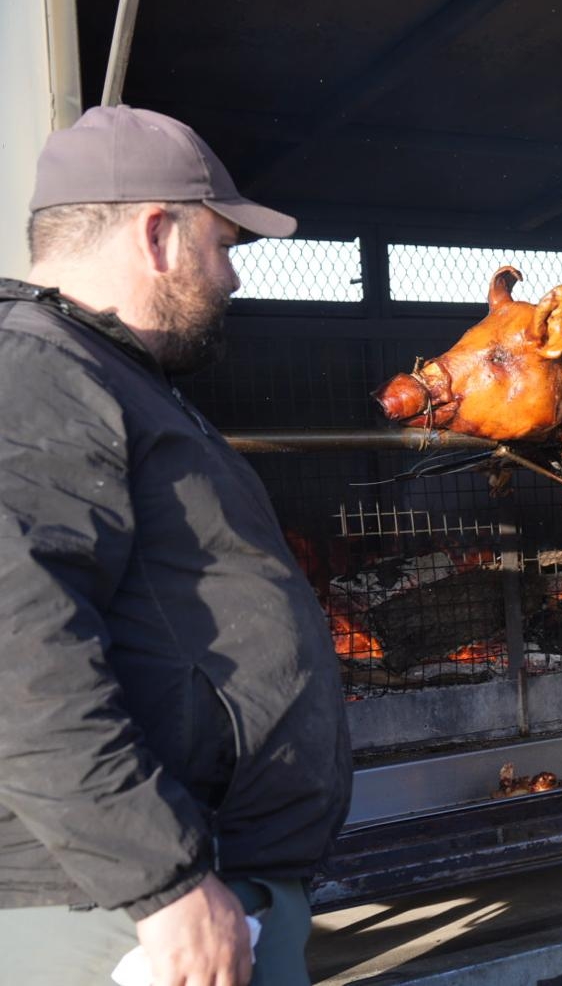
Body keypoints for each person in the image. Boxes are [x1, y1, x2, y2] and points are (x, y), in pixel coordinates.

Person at [0, 106, 352, 985]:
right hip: (128, 918)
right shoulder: (36, 371)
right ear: (158, 233)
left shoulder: (107, 371)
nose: (231, 277)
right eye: (223, 245)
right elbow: (17, 654)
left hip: (193, 894)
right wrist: (164, 883)